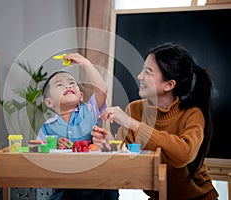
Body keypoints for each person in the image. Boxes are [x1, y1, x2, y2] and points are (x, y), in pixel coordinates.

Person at [92, 42, 219, 200]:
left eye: (148, 71)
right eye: (142, 69)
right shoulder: (135, 109)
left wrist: (132, 123)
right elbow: (124, 158)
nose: (139, 76)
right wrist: (109, 142)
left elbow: (182, 155)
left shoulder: (192, 113)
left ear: (169, 85)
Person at [37, 53, 119, 200]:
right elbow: (38, 157)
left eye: (71, 83)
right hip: (66, 189)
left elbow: (102, 90)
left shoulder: (89, 111)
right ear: (49, 102)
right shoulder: (46, 128)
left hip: (98, 186)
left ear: (81, 96)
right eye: (59, 84)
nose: (67, 85)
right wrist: (53, 145)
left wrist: (85, 62)